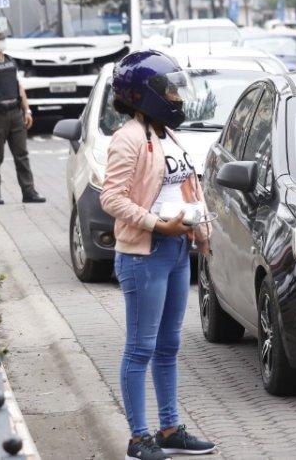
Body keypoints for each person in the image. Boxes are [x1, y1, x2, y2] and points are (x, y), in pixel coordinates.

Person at [99, 50, 217, 460]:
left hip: (176, 250)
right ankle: (138, 438)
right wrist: (154, 223)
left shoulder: (169, 134)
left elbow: (189, 190)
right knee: (140, 347)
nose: (176, 96)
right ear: (143, 94)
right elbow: (111, 198)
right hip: (143, 256)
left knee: (169, 345)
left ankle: (169, 429)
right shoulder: (128, 138)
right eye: (168, 89)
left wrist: (201, 235)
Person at [0, 27, 45, 205]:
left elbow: (19, 88)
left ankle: (29, 192)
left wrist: (27, 110)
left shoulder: (10, 62)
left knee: (22, 154)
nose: (3, 41)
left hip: (15, 113)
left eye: (3, 38)